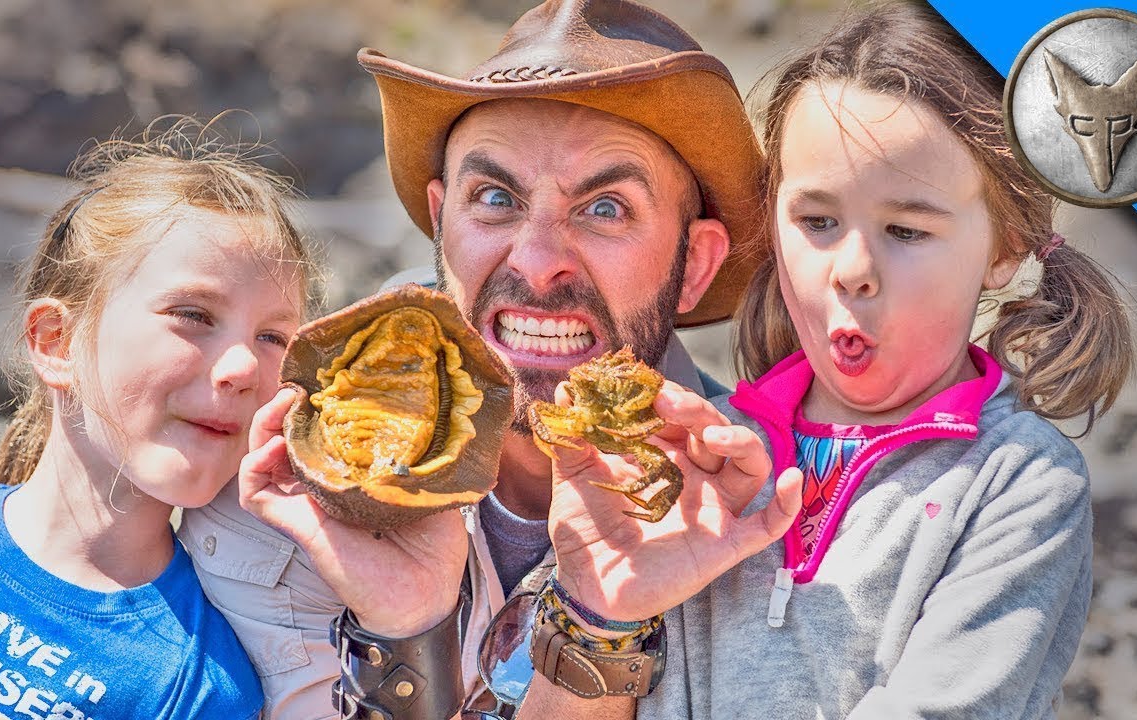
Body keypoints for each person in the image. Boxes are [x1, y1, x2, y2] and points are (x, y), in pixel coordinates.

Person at [175, 1, 791, 718]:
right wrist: (404, 630)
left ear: (696, 264)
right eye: (496, 198)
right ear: (441, 223)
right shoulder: (280, 478)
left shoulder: (767, 530)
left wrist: (602, 623)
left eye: (606, 208)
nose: (536, 261)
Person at [531, 3, 1135, 718]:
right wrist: (601, 612)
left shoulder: (1019, 482)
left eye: (905, 230)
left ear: (1004, 248)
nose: (852, 270)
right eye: (817, 221)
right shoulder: (692, 461)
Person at [0, 117, 321, 718]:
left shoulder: (201, 686)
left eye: (273, 338)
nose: (245, 366)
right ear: (58, 342)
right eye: (194, 315)